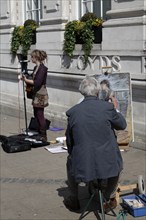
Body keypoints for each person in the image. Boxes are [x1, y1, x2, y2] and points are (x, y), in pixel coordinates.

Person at [64, 76, 127, 212]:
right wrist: (115, 110)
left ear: (82, 92)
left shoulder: (74, 112)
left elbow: (69, 140)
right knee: (117, 166)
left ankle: (74, 199)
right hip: (107, 160)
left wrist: (72, 153)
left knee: (70, 161)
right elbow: (122, 125)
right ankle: (107, 198)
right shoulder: (107, 108)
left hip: (83, 161)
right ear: (98, 91)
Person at [21, 49, 49, 141]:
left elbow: (37, 82)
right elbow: (33, 77)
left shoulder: (42, 69)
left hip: (40, 94)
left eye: (32, 57)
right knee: (36, 113)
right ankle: (39, 132)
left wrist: (25, 80)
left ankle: (43, 135)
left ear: (36, 57)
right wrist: (25, 76)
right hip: (36, 94)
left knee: (40, 114)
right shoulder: (36, 68)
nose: (31, 58)